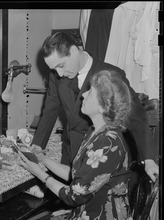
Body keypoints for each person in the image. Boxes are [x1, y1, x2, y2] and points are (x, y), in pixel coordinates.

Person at [16, 70, 135, 220]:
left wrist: (40, 174)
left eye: (91, 93)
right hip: (87, 213)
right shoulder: (94, 131)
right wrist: (42, 159)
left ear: (103, 107)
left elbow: (73, 196)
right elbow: (76, 175)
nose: (83, 94)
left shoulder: (107, 143)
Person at [31, 31, 158, 183]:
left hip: (101, 156)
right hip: (70, 152)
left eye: (61, 65)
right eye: (54, 69)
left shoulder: (111, 74)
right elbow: (49, 111)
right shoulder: (57, 75)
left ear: (73, 51)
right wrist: (37, 147)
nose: (59, 73)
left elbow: (136, 117)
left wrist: (149, 159)